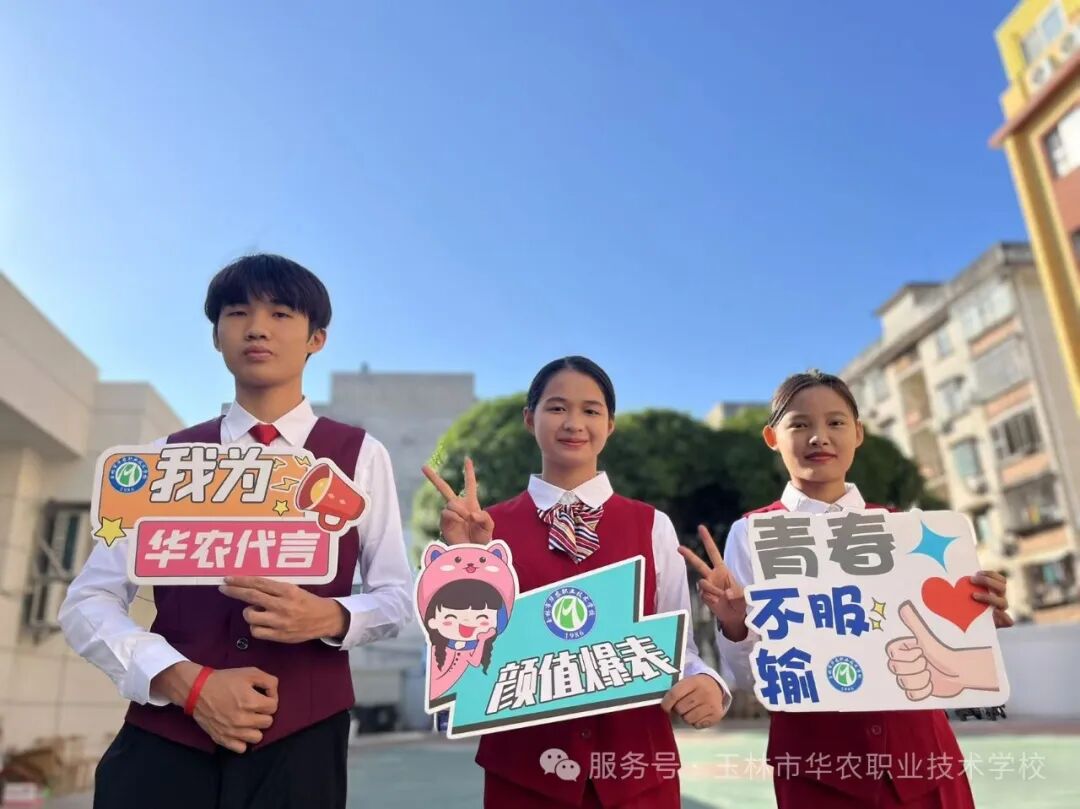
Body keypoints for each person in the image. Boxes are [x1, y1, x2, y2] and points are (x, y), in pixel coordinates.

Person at [59, 254, 414, 809]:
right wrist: (181, 680)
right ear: (216, 335)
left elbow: (397, 596)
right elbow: (87, 601)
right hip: (165, 741)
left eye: (280, 313)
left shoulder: (360, 456)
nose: (257, 328)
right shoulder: (164, 460)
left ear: (317, 339)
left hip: (301, 745)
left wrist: (331, 615)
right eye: (238, 312)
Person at [681, 369, 1012, 808]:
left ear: (858, 433)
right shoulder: (752, 534)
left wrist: (979, 617)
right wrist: (736, 627)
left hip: (923, 763)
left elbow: (942, 649)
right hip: (819, 772)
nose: (819, 437)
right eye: (800, 424)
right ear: (772, 437)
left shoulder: (904, 529)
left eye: (835, 422)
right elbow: (750, 679)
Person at [423, 355, 731, 808]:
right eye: (556, 408)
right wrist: (463, 559)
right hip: (524, 779)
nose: (573, 423)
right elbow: (459, 659)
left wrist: (708, 682)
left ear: (610, 425)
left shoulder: (652, 525)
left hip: (637, 777)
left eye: (591, 410)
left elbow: (675, 645)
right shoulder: (484, 531)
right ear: (529, 419)